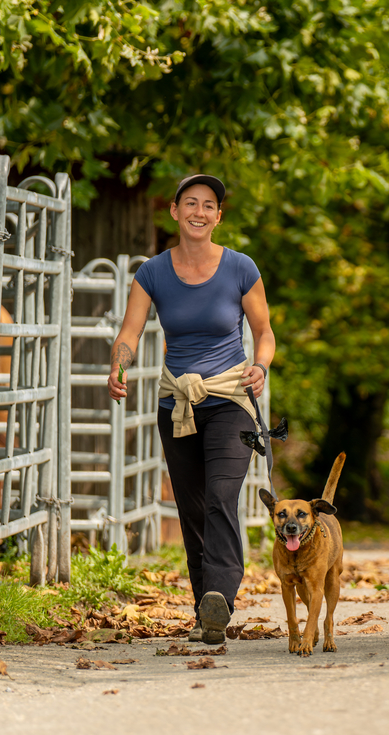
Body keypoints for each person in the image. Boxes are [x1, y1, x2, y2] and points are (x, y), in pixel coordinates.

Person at [108, 174, 275, 645]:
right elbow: (129, 333)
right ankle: (208, 613)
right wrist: (118, 365)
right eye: (191, 203)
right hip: (177, 402)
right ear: (175, 212)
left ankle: (220, 592)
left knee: (222, 498)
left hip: (230, 398)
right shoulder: (153, 273)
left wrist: (261, 365)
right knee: (193, 509)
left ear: (218, 216)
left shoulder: (241, 268)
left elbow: (264, 332)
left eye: (209, 205)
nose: (199, 212)